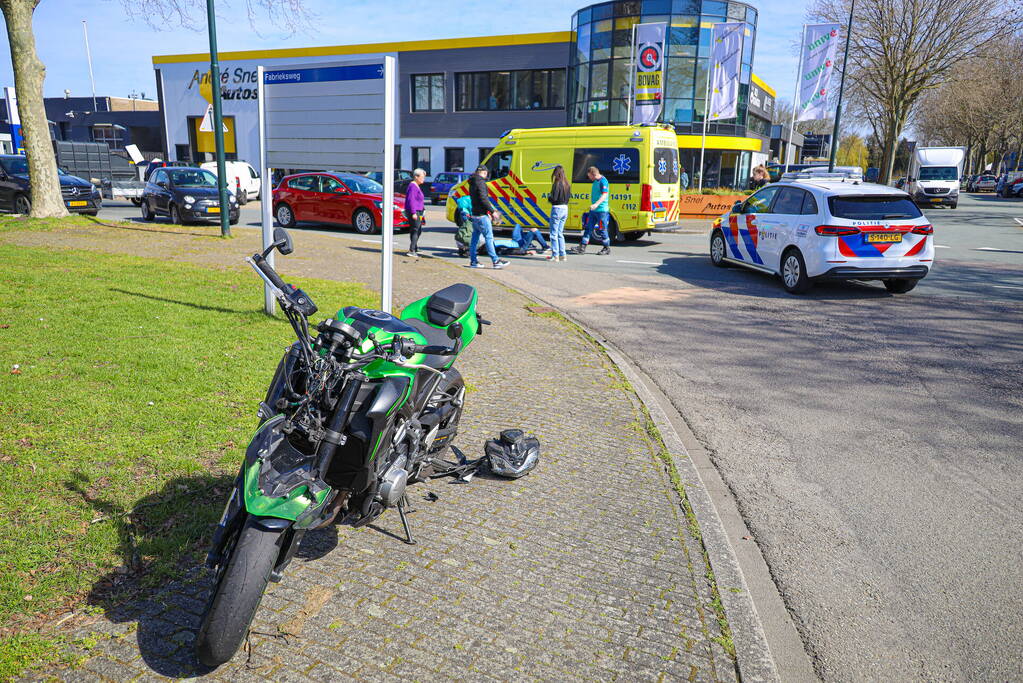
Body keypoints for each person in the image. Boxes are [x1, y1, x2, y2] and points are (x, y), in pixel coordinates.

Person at [467, 165, 509, 269]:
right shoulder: (481, 182)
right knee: (489, 238)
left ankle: (473, 261)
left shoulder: (471, 182)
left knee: (474, 240)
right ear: (484, 173)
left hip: (475, 214)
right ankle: (496, 261)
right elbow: (483, 199)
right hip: (482, 216)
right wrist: (492, 211)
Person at [573, 166, 611, 255]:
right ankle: (582, 247)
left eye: (589, 176)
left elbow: (604, 195)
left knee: (602, 229)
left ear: (593, 174)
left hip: (601, 211)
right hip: (594, 211)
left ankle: (606, 248)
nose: (589, 178)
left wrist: (596, 204)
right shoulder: (595, 181)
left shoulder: (603, 181)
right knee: (588, 228)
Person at [546, 164, 570, 262]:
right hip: (565, 208)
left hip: (557, 208)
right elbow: (568, 197)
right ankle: (563, 255)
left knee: (553, 234)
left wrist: (549, 197)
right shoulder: (567, 184)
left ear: (556, 173)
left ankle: (555, 255)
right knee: (560, 233)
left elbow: (554, 198)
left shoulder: (557, 184)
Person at [403, 169, 427, 258]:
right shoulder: (413, 186)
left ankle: (415, 247)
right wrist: (413, 212)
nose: (423, 179)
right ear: (416, 177)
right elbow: (411, 200)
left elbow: (419, 200)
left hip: (419, 211)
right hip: (415, 211)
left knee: (417, 230)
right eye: (422, 177)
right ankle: (411, 250)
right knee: (416, 230)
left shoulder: (416, 186)